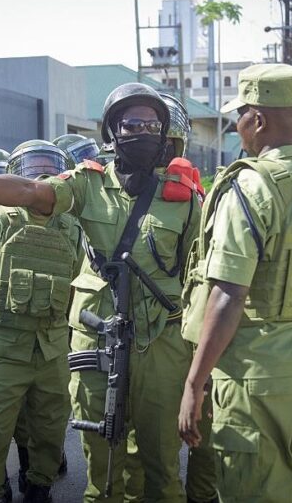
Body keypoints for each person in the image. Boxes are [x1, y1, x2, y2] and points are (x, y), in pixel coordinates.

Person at [0, 82, 201, 502]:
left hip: (161, 347)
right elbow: (31, 192)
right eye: (132, 123)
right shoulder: (87, 184)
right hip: (99, 342)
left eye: (152, 124)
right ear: (113, 132)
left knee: (161, 470)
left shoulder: (186, 198)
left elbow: (200, 280)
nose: (143, 132)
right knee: (101, 467)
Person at [178, 63, 292, 501]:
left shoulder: (249, 187)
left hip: (259, 375)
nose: (236, 125)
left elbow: (228, 295)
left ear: (256, 119)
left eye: (239, 115)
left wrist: (194, 385)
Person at [0, 141, 79, 502]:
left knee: (49, 430)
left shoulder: (71, 226)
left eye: (49, 166)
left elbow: (76, 290)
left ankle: (39, 487)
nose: (40, 173)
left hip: (53, 351)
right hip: (3, 351)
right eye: (33, 166)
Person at [124, 90, 216, 503]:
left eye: (163, 141)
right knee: (141, 443)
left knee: (203, 437)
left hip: (193, 331)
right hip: (149, 335)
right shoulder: (116, 193)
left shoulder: (197, 199)